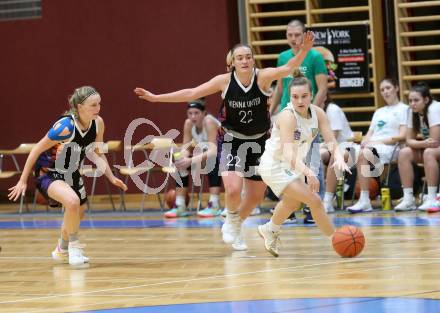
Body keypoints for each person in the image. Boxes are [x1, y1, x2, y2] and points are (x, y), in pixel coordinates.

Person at [134, 31, 315, 250]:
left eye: (248, 56)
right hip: (231, 140)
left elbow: (287, 69)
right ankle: (230, 217)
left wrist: (304, 50)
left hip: (259, 142)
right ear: (232, 63)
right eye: (240, 57)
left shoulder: (263, 77)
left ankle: (235, 224)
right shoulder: (224, 82)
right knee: (232, 189)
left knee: (255, 196)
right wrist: (156, 97)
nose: (245, 60)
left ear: (252, 60)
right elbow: (192, 92)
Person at [8, 86, 127, 266]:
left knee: (77, 214)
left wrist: (110, 176)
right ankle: (74, 248)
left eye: (99, 104)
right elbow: (36, 150)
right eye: (93, 105)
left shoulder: (98, 123)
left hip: (72, 173)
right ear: (79, 107)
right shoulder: (65, 127)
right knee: (72, 202)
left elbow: (97, 152)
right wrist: (22, 180)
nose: (98, 108)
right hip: (49, 172)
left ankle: (61, 248)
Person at [257, 71, 349, 257]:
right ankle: (338, 240)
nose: (300, 100)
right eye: (295, 96)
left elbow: (331, 141)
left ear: (312, 95)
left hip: (292, 166)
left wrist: (338, 156)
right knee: (314, 201)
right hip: (274, 164)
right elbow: (288, 152)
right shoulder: (288, 116)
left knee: (292, 203)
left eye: (304, 96)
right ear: (290, 97)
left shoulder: (318, 113)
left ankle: (270, 228)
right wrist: (309, 173)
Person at [270, 19, 328, 224]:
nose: (293, 39)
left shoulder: (315, 57)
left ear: (305, 36)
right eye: (290, 35)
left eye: (297, 35)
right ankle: (289, 209)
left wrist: (311, 114)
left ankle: (314, 208)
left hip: (306, 118)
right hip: (287, 118)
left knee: (312, 162)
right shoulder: (283, 57)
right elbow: (279, 88)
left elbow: (322, 88)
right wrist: (271, 112)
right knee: (286, 163)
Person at [347, 78, 409, 213]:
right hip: (372, 147)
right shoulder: (379, 112)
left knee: (363, 153)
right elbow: (370, 133)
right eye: (382, 90)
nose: (385, 92)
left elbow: (403, 135)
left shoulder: (405, 109)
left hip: (391, 148)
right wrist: (365, 141)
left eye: (388, 88)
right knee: (340, 153)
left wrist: (376, 142)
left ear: (396, 88)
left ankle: (364, 201)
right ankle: (327, 200)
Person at [164, 98, 223, 218]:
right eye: (190, 113)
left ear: (204, 113)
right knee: (181, 164)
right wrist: (182, 158)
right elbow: (185, 148)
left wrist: (190, 160)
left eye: (196, 113)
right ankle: (180, 206)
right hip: (206, 157)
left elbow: (213, 150)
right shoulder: (188, 124)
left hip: (226, 156)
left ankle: (215, 205)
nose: (193, 116)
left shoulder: (209, 121)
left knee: (212, 160)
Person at [395, 82, 440, 211]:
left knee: (429, 152)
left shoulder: (434, 108)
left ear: (426, 100)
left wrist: (423, 144)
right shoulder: (412, 111)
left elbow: (435, 142)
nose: (412, 104)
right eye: (410, 101)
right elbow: (409, 140)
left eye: (416, 100)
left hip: (435, 147)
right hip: (433, 148)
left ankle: (431, 198)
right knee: (404, 153)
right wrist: (424, 143)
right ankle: (408, 199)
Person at [320, 92, 354, 212]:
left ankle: (327, 200)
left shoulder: (332, 109)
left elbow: (333, 137)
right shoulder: (312, 111)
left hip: (345, 147)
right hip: (329, 147)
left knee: (319, 154)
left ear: (324, 96)